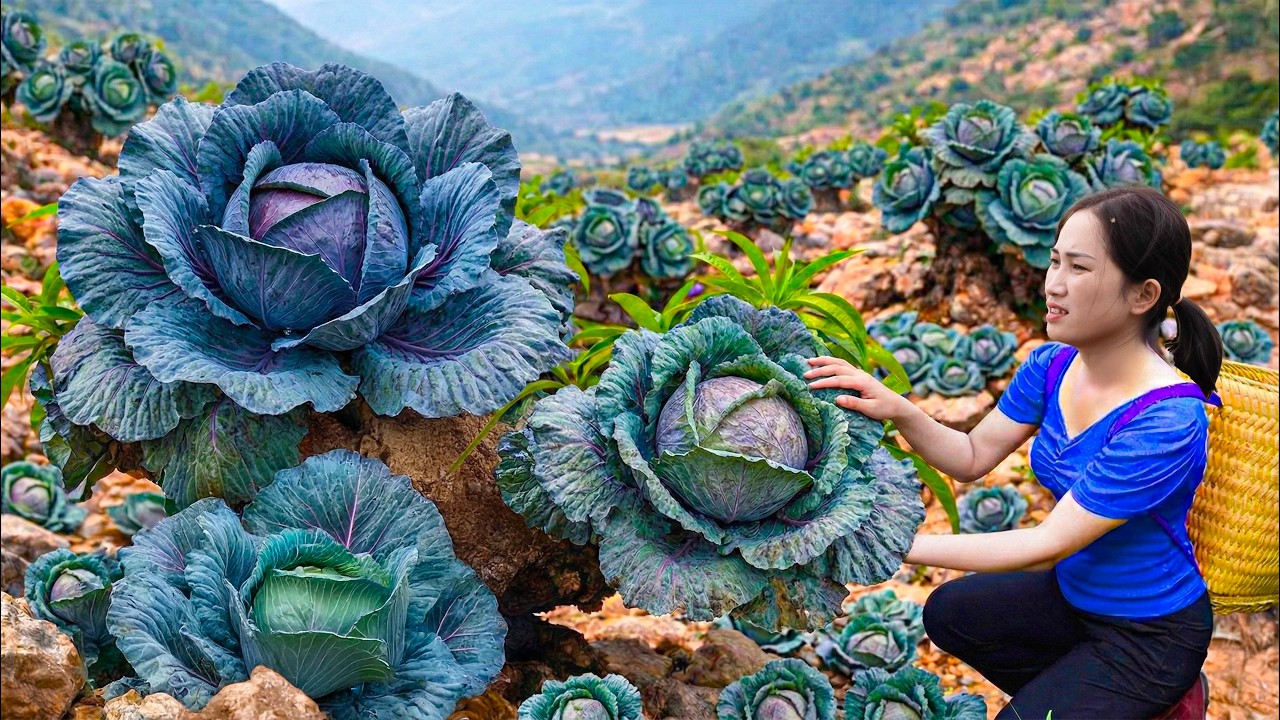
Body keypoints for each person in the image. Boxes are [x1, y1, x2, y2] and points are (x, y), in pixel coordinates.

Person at [805, 185, 1221, 720]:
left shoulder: (1166, 421)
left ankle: (1161, 699)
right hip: (1075, 596)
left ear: (1143, 296)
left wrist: (891, 545)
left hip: (1148, 634)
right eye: (1053, 262)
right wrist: (899, 410)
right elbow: (972, 455)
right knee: (951, 613)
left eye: (1079, 268)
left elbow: (1046, 544)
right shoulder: (1051, 366)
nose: (1053, 284)